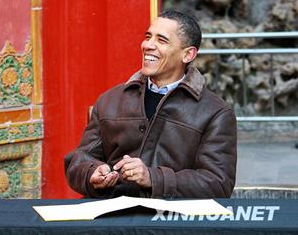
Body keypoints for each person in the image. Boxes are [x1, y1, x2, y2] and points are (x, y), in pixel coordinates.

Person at [64, 10, 237, 199]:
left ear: (188, 54)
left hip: (173, 223)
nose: (147, 45)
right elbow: (80, 160)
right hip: (113, 218)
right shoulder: (110, 100)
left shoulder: (216, 112)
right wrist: (91, 173)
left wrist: (152, 178)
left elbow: (218, 183)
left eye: (161, 40)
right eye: (148, 36)